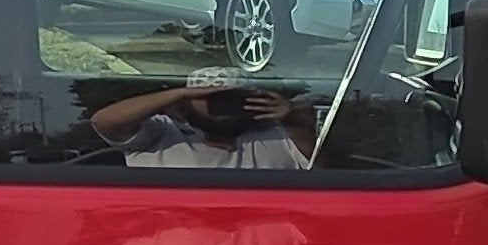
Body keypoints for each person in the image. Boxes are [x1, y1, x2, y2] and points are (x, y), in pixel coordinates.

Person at [83, 67, 316, 169]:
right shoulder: (161, 134)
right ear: (186, 102)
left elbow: (328, 166)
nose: (222, 105)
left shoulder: (277, 135)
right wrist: (180, 93)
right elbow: (103, 122)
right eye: (208, 97)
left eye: (233, 97)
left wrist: (292, 117)